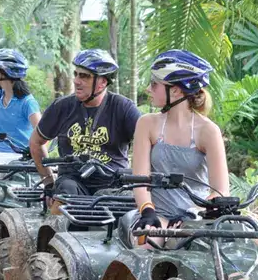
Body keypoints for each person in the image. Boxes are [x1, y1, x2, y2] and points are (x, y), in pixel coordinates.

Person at [130, 50, 227, 234]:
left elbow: (220, 191)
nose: (148, 89)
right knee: (150, 242)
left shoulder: (208, 130)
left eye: (154, 84)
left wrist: (193, 215)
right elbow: (140, 181)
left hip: (199, 216)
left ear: (175, 91)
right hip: (158, 213)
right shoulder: (147, 124)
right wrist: (147, 210)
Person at [28, 48, 142, 199]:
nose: (76, 81)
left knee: (124, 206)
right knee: (66, 193)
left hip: (113, 184)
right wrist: (49, 183)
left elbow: (147, 145)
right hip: (71, 182)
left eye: (84, 76)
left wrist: (139, 179)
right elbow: (36, 142)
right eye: (75, 74)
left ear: (102, 82)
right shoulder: (61, 107)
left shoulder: (123, 108)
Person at [0, 49, 42, 171]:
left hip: (21, 155)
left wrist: (39, 156)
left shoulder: (28, 102)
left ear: (1, 74)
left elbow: (42, 132)